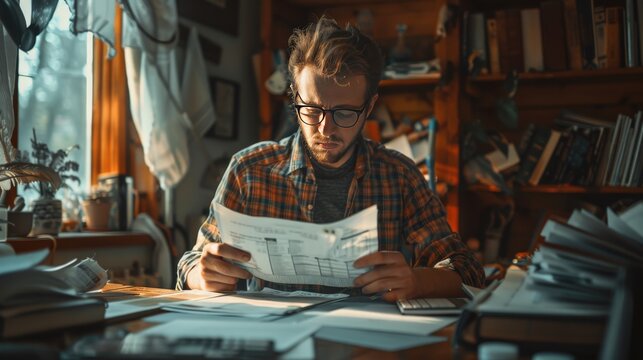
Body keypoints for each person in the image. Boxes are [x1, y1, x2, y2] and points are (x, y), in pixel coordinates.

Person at [176, 16, 484, 302]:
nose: (326, 128)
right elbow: (192, 261)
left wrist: (418, 281)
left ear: (369, 106)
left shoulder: (399, 175)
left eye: (345, 113)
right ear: (295, 97)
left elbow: (467, 269)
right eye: (311, 110)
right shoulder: (249, 170)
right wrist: (199, 275)